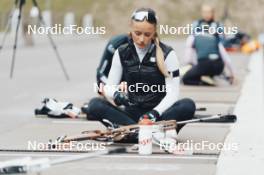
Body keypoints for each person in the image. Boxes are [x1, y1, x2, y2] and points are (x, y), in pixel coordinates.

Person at [83, 8, 196, 131]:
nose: (142, 39)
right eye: (137, 33)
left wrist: (154, 113)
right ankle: (146, 132)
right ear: (130, 29)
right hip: (131, 113)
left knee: (188, 105)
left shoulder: (168, 54)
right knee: (95, 105)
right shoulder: (121, 52)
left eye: (147, 34)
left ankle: (132, 132)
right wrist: (116, 94)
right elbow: (109, 87)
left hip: (158, 114)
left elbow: (173, 93)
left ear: (154, 32)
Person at [182, 4, 235, 86]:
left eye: (208, 12)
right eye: (204, 12)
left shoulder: (217, 25)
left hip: (213, 57)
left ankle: (207, 77)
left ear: (212, 13)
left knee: (187, 77)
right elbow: (191, 47)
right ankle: (206, 75)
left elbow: (221, 45)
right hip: (203, 59)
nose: (206, 14)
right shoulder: (197, 24)